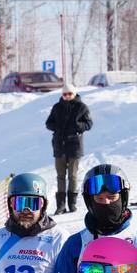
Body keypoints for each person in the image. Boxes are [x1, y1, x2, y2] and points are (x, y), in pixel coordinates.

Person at [44, 85, 93, 213]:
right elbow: (48, 123)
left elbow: (89, 124)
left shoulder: (81, 107)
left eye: (69, 94)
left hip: (74, 146)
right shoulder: (57, 107)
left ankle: (72, 204)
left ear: (74, 93)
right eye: (64, 94)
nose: (67, 96)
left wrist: (78, 126)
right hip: (59, 146)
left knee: (72, 175)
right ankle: (60, 206)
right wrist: (57, 128)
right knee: (60, 176)